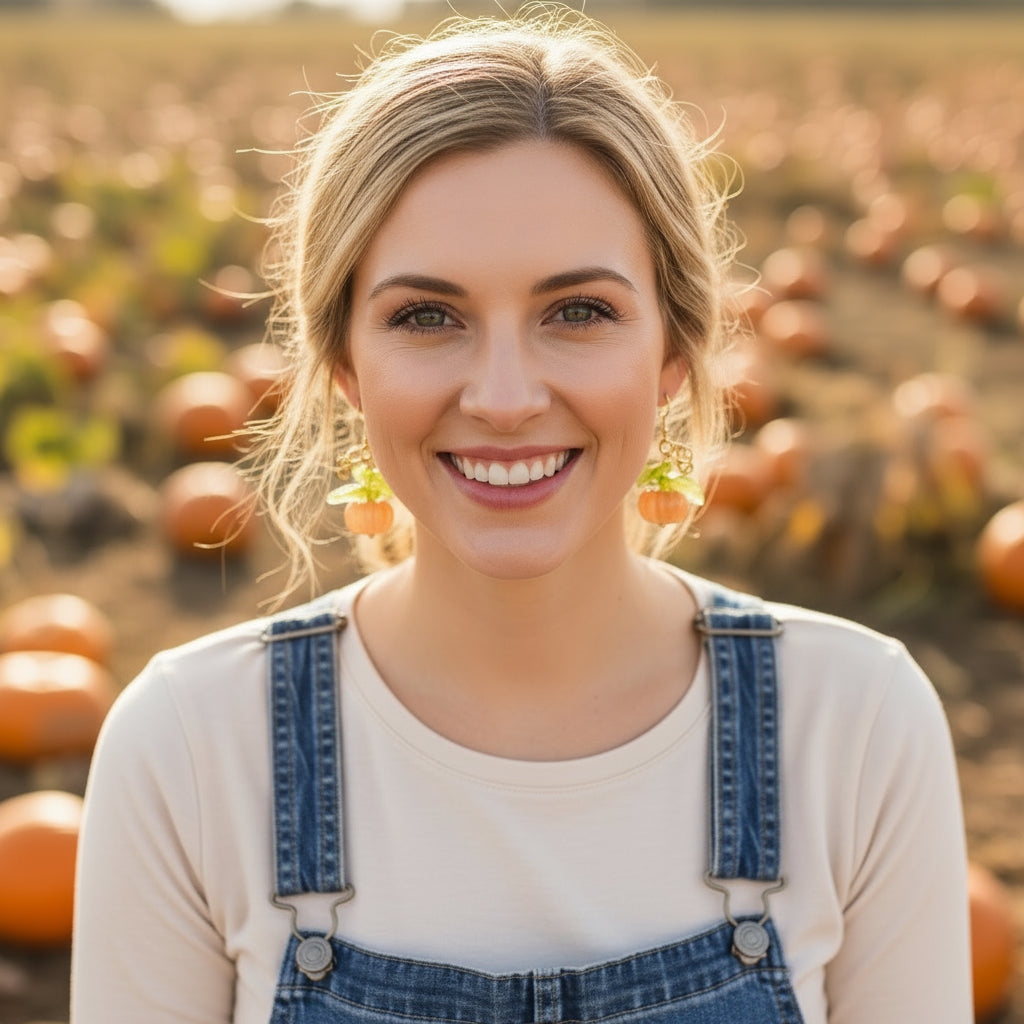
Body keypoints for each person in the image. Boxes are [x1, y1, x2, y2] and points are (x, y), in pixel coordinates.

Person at [71, 9, 971, 1024]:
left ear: (672, 353)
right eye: (427, 316)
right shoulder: (191, 750)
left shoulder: (852, 728)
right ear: (344, 365)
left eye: (576, 311)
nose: (503, 396)